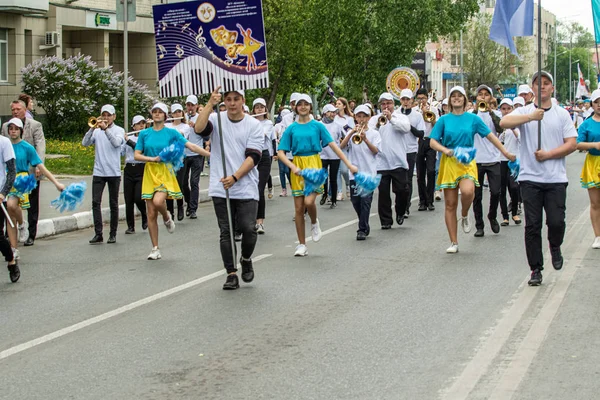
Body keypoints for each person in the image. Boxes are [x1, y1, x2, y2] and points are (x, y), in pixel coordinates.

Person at [500, 71, 577, 286]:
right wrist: (530, 117)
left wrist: (549, 154)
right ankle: (535, 268)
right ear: (531, 89)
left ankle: (555, 245)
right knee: (532, 226)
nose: (541, 87)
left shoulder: (561, 114)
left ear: (552, 88)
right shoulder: (525, 111)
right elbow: (504, 122)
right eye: (537, 84)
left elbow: (572, 143)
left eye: (546, 83)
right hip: (530, 178)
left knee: (556, 222)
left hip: (555, 179)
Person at [430, 86, 515, 254]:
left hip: (467, 161)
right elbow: (432, 141)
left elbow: (491, 136)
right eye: (453, 96)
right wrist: (445, 150)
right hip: (449, 162)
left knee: (468, 192)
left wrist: (505, 152)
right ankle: (454, 242)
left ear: (464, 99)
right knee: (450, 204)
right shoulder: (443, 120)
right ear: (449, 100)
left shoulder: (473, 119)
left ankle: (464, 214)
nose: (456, 98)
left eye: (459, 96)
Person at [194, 88, 262, 290]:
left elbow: (254, 157)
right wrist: (209, 104)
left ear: (243, 101)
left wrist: (235, 177)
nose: (232, 103)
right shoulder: (216, 119)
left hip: (245, 185)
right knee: (226, 231)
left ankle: (246, 258)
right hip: (220, 186)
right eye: (228, 100)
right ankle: (231, 273)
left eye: (236, 99)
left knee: (249, 229)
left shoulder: (254, 125)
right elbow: (199, 129)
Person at [277, 94, 358, 257]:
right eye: (299, 105)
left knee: (308, 201)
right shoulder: (291, 128)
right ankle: (301, 245)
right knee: (299, 208)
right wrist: (292, 165)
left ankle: (314, 222)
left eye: (306, 104)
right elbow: (280, 152)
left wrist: (348, 164)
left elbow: (334, 147)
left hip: (314, 164)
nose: (303, 107)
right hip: (298, 166)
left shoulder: (318, 126)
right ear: (295, 107)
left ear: (310, 107)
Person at [135, 103, 209, 261]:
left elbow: (191, 146)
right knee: (150, 212)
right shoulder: (144, 134)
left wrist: (210, 154)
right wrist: (151, 159)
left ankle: (167, 216)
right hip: (150, 171)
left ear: (165, 115)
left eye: (160, 112)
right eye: (154, 112)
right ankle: (155, 248)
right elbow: (137, 154)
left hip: (165, 171)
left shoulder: (171, 133)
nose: (156, 114)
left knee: (158, 201)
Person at [6, 118, 65, 263]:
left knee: (12, 206)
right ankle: (14, 249)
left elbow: (40, 165)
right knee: (9, 216)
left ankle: (22, 224)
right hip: (7, 181)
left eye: (16, 128)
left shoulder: (27, 147)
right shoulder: (4, 146)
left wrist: (56, 183)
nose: (13, 131)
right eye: (10, 128)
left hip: (22, 180)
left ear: (21, 130)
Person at [1, 100, 45, 247]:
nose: (15, 111)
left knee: (32, 203)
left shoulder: (35, 125)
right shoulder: (6, 126)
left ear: (25, 110)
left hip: (30, 171)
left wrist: (39, 166)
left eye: (18, 109)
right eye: (13, 109)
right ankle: (10, 233)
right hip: (9, 173)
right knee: (9, 204)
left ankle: (31, 234)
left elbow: (39, 145)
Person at [82, 104, 124, 245]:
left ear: (114, 116)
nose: (106, 117)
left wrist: (106, 130)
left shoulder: (119, 130)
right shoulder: (96, 131)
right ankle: (98, 233)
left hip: (113, 172)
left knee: (113, 203)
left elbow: (117, 143)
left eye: (109, 115)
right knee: (95, 202)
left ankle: (113, 234)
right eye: (104, 115)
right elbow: (85, 143)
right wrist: (92, 128)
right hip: (99, 172)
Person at [340, 105, 381, 240]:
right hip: (354, 173)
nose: (362, 119)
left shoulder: (374, 133)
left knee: (365, 201)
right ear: (355, 118)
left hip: (368, 173)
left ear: (369, 118)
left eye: (364, 116)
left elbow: (375, 151)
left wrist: (366, 139)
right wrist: (352, 133)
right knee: (355, 200)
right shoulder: (351, 133)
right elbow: (341, 147)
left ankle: (362, 229)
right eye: (359, 116)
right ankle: (364, 223)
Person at [372, 92, 411, 229]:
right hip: (381, 163)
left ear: (393, 104)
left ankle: (400, 211)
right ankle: (386, 221)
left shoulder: (401, 117)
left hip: (398, 161)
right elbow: (370, 133)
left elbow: (406, 129)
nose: (386, 106)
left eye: (388, 103)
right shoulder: (374, 119)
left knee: (402, 190)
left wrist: (391, 119)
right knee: (383, 193)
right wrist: (378, 124)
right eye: (383, 103)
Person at [472, 85, 505, 237]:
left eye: (486, 95)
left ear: (491, 98)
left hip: (493, 159)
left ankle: (492, 216)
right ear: (476, 97)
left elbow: (500, 128)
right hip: (476, 160)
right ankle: (479, 225)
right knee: (476, 195)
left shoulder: (496, 114)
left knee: (496, 191)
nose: (483, 97)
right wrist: (475, 109)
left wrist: (490, 111)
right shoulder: (471, 114)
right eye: (480, 95)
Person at [576, 88, 600, 248]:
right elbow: (577, 143)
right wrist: (594, 145)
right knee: (595, 203)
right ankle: (598, 236)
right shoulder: (586, 124)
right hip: (593, 163)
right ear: (592, 104)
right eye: (597, 102)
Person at [252, 98, 276, 234]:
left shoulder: (268, 123)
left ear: (265, 109)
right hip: (251, 155)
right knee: (250, 188)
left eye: (262, 107)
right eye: (257, 107)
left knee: (259, 189)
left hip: (264, 156)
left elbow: (262, 134)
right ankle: (250, 220)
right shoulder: (249, 122)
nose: (259, 109)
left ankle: (260, 222)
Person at [400, 89, 425, 217]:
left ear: (411, 101)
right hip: (397, 149)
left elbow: (421, 134)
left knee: (408, 179)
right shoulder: (395, 113)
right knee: (399, 181)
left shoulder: (417, 115)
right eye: (403, 99)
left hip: (410, 149)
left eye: (407, 100)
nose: (405, 102)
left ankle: (406, 206)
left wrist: (408, 126)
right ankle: (401, 203)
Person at [497, 98, 521, 226]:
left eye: (508, 109)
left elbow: (521, 139)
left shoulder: (516, 124)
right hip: (501, 160)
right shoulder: (498, 125)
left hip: (513, 160)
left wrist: (512, 128)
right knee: (502, 189)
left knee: (514, 187)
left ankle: (515, 213)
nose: (506, 111)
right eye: (503, 109)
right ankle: (505, 216)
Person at [122, 115, 148, 234]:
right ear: (134, 126)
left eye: (143, 123)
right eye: (138, 123)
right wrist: (122, 140)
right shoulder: (128, 137)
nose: (141, 125)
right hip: (129, 169)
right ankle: (130, 226)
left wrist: (128, 141)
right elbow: (121, 151)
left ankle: (144, 214)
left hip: (141, 168)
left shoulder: (146, 137)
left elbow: (140, 149)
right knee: (129, 199)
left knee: (138, 197)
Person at [165, 104, 191, 221]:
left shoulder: (185, 126)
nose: (177, 114)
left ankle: (180, 206)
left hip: (180, 159)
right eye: (175, 112)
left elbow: (180, 136)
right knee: (168, 186)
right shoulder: (166, 125)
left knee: (179, 184)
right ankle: (170, 211)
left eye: (179, 112)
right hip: (168, 159)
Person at [415, 89, 439, 211]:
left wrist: (428, 114)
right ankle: (422, 201)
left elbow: (437, 126)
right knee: (420, 174)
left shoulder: (433, 109)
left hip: (430, 141)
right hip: (419, 141)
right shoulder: (414, 111)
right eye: (419, 98)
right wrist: (420, 113)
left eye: (423, 98)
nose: (421, 100)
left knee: (431, 171)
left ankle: (430, 200)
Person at [182, 96, 205, 219]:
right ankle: (188, 201)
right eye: (188, 105)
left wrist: (195, 127)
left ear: (196, 106)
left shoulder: (200, 118)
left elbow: (205, 133)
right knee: (183, 182)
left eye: (192, 105)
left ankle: (193, 208)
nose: (190, 107)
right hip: (184, 154)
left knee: (194, 182)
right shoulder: (182, 117)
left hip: (197, 153)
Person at [0, 124, 17, 282]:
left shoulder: (4, 143)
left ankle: (11, 259)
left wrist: (3, 192)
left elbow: (12, 171)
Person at [319, 103, 344, 208]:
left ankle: (333, 199)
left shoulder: (338, 126)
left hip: (335, 156)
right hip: (322, 155)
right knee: (323, 178)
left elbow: (343, 137)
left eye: (334, 112)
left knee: (333, 178)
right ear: (325, 113)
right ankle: (324, 194)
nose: (333, 114)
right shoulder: (319, 125)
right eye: (331, 112)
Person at [334, 97, 354, 201]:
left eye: (339, 104)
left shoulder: (349, 119)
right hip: (335, 146)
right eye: (336, 104)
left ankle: (347, 184)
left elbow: (352, 131)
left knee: (344, 170)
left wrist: (345, 139)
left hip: (345, 147)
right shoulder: (334, 118)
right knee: (336, 170)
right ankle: (340, 192)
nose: (337, 106)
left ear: (344, 106)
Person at [275, 109, 292, 197]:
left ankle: (293, 186)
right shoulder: (278, 126)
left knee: (288, 170)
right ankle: (284, 189)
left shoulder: (291, 124)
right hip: (281, 149)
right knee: (282, 170)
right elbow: (275, 136)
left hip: (289, 150)